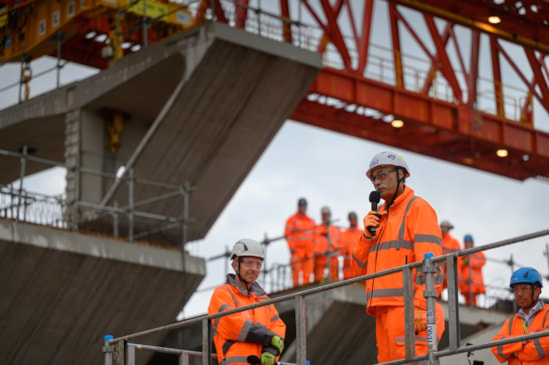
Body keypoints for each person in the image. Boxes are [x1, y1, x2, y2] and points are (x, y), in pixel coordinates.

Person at [351, 151, 445, 363]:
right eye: (374, 177)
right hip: (383, 311)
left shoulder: (418, 208)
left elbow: (432, 264)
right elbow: (357, 270)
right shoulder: (378, 218)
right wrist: (366, 237)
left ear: (401, 174)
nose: (377, 182)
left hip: (411, 310)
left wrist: (422, 306)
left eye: (382, 174)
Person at [208, 239, 286, 365]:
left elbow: (278, 326)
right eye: (249, 263)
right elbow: (230, 324)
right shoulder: (223, 293)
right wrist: (268, 337)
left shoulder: (264, 300)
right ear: (235, 265)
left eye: (258, 265)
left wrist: (270, 350)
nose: (254, 269)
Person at [491, 267, 549, 364]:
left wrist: (514, 352)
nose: (519, 294)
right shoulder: (511, 321)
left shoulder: (547, 313)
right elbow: (497, 348)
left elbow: (544, 347)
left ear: (537, 290)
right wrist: (522, 342)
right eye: (516, 289)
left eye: (524, 289)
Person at [284, 198, 316, 286]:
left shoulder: (311, 221)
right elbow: (288, 235)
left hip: (309, 252)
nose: (303, 208)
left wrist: (314, 249)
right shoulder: (292, 219)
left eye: (304, 206)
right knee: (296, 272)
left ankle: (306, 290)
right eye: (301, 206)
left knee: (308, 273)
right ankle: (296, 290)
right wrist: (292, 247)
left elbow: (315, 237)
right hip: (297, 251)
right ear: (298, 207)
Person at [314, 206, 341, 282]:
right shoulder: (317, 228)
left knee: (334, 278)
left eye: (327, 214)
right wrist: (316, 252)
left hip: (333, 256)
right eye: (324, 214)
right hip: (320, 257)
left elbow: (340, 242)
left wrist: (337, 251)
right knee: (318, 278)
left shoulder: (335, 229)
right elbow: (314, 242)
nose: (325, 216)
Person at [458, 234, 486, 306]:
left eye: (469, 242)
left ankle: (473, 308)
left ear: (472, 242)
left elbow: (482, 261)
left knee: (473, 298)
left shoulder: (478, 252)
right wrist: (465, 261)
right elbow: (459, 263)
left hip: (475, 281)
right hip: (465, 281)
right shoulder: (462, 252)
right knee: (467, 297)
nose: (468, 244)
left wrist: (470, 261)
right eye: (466, 242)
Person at [440, 220, 461, 291]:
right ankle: (439, 298)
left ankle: (452, 300)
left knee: (451, 284)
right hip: (440, 265)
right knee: (439, 282)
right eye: (441, 227)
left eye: (444, 227)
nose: (442, 229)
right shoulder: (438, 239)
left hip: (450, 266)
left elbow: (458, 253)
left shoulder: (454, 241)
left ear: (448, 229)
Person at [340, 212, 362, 280]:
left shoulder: (361, 233)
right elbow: (341, 250)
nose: (353, 220)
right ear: (349, 220)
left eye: (354, 219)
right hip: (348, 270)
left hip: (359, 269)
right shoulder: (344, 234)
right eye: (351, 219)